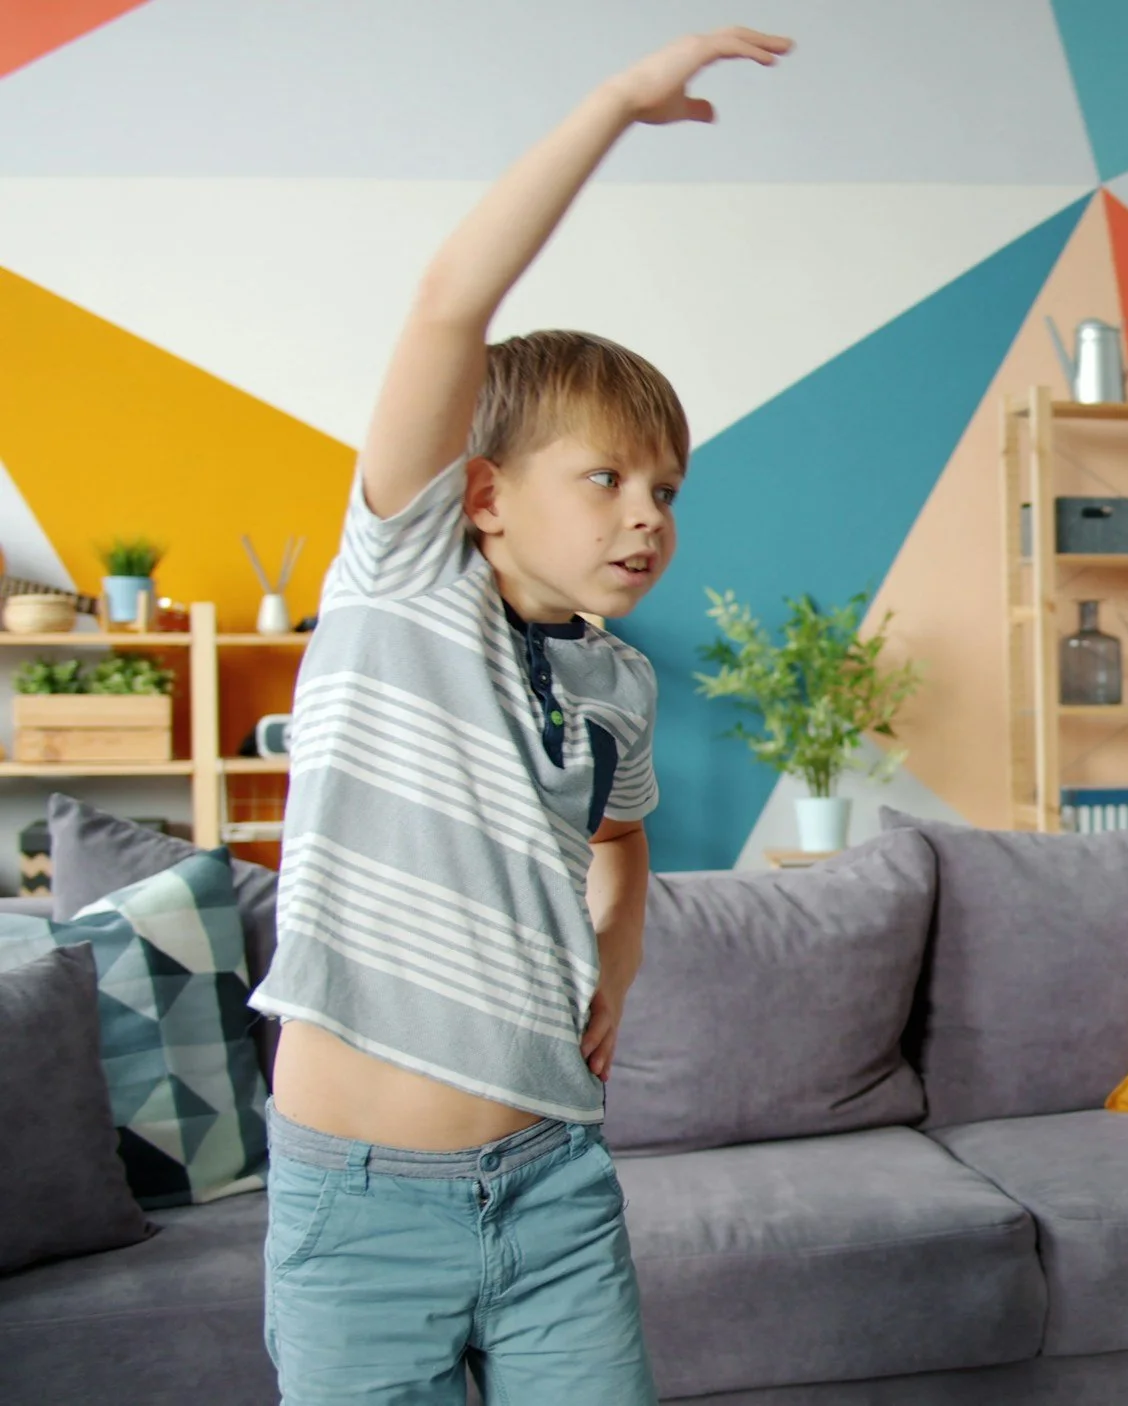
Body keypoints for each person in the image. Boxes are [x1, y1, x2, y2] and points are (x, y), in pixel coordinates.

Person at [245, 27, 791, 1404]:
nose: (649, 513)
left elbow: (620, 845)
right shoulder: (404, 580)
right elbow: (448, 302)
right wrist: (614, 104)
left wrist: (613, 969)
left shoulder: (618, 679)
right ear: (483, 493)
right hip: (356, 1209)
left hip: (554, 1184)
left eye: (667, 487)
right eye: (607, 477)